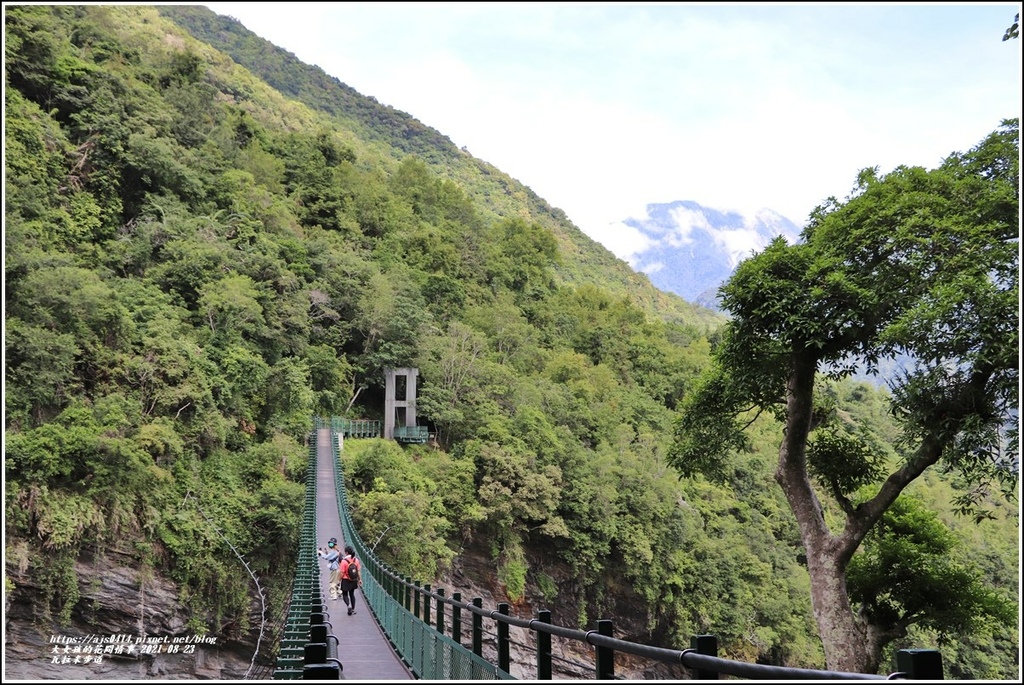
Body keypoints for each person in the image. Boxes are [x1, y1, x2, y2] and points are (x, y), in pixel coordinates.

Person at [339, 545, 363, 615]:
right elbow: (358, 571)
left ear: (346, 552)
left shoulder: (344, 561)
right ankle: (353, 609)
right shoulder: (356, 560)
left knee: (345, 594)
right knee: (352, 594)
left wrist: (339, 580)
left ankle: (348, 605)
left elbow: (342, 572)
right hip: (353, 579)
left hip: (345, 580)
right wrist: (360, 579)